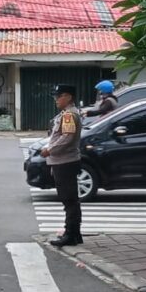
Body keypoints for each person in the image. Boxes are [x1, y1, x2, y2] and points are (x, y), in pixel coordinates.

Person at [41, 85, 83, 247]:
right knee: (70, 200)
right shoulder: (67, 114)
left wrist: (49, 150)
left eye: (59, 96)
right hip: (64, 161)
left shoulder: (69, 115)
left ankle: (70, 234)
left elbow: (67, 137)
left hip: (65, 162)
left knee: (69, 200)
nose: (56, 100)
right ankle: (75, 234)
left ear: (68, 97)